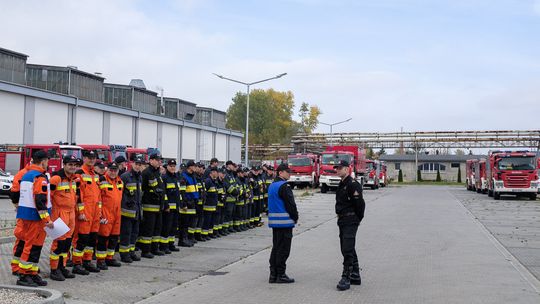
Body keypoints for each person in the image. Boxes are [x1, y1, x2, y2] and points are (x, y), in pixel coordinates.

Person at [13, 150, 54, 287]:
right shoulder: (40, 177)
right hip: (35, 218)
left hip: (26, 216)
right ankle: (24, 275)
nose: (48, 164)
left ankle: (32, 272)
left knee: (32, 246)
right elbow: (40, 200)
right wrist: (47, 219)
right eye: (47, 161)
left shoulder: (26, 175)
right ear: (43, 161)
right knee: (32, 247)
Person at [333, 160, 365, 291]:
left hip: (350, 220)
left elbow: (360, 205)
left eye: (340, 168)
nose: (337, 170)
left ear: (347, 169)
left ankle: (346, 276)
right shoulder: (342, 184)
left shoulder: (353, 185)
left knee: (347, 248)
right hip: (342, 220)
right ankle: (355, 274)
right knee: (347, 247)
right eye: (336, 168)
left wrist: (357, 218)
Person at [48, 155, 79, 281]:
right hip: (59, 214)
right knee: (58, 244)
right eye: (70, 164)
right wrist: (48, 217)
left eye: (74, 165)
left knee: (66, 244)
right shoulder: (56, 178)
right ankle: (54, 270)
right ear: (64, 165)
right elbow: (48, 198)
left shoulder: (73, 179)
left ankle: (62, 267)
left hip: (70, 214)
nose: (72, 167)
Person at [268, 163, 298, 284]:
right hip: (285, 223)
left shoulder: (272, 185)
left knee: (276, 248)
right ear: (280, 173)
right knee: (284, 250)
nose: (289, 173)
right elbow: (290, 204)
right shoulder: (284, 186)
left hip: (275, 223)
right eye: (287, 171)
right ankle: (281, 274)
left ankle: (273, 274)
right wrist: (295, 217)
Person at [72, 150, 101, 275]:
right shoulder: (79, 173)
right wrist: (81, 211)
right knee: (82, 239)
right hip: (85, 213)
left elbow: (98, 196)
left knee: (92, 239)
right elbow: (78, 195)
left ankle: (87, 261)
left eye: (93, 157)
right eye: (89, 157)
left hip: (95, 213)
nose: (92, 159)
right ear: (84, 158)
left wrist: (99, 211)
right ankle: (77, 263)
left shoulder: (95, 174)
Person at [96, 162, 123, 270]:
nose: (113, 172)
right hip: (106, 213)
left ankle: (109, 258)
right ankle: (100, 260)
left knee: (114, 237)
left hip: (117, 214)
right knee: (103, 237)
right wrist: (100, 214)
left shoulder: (120, 182)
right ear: (107, 170)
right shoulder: (102, 180)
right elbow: (98, 198)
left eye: (115, 170)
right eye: (111, 170)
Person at [138, 153, 166, 258]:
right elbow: (142, 190)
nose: (160, 162)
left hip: (158, 206)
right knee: (148, 229)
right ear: (151, 160)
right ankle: (145, 250)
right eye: (158, 160)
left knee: (157, 229)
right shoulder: (146, 173)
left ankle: (155, 248)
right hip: (149, 206)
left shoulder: (157, 173)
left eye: (160, 160)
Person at [119, 156, 144, 263]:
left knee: (135, 233)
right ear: (132, 164)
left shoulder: (140, 177)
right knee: (126, 233)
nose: (138, 166)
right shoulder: (125, 176)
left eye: (140, 165)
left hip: (137, 210)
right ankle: (124, 254)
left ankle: (131, 252)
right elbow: (120, 193)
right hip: (127, 211)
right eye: (136, 164)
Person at [161, 159, 181, 253]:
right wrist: (166, 205)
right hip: (168, 208)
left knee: (174, 227)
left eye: (174, 166)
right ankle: (164, 246)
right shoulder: (164, 178)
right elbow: (164, 194)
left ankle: (171, 244)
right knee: (166, 227)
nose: (173, 168)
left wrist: (179, 204)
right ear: (167, 167)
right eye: (171, 166)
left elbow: (178, 193)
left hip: (176, 207)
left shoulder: (176, 178)